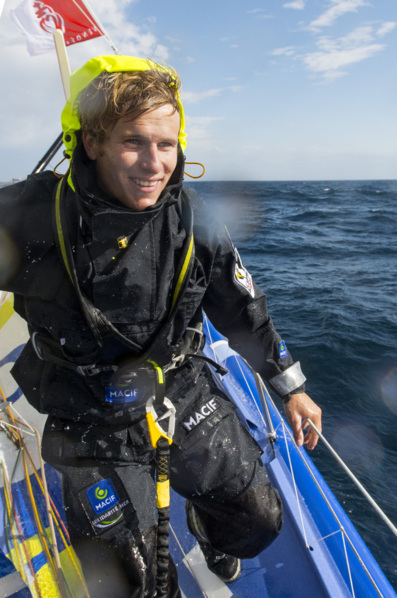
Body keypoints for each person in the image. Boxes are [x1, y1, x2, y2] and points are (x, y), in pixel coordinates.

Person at [0, 55, 322, 598]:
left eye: (166, 145)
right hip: (87, 411)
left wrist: (289, 385)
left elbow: (240, 306)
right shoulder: (30, 215)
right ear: (94, 143)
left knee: (258, 521)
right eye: (134, 142)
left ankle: (207, 526)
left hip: (179, 388)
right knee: (133, 584)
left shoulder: (194, 221)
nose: (154, 164)